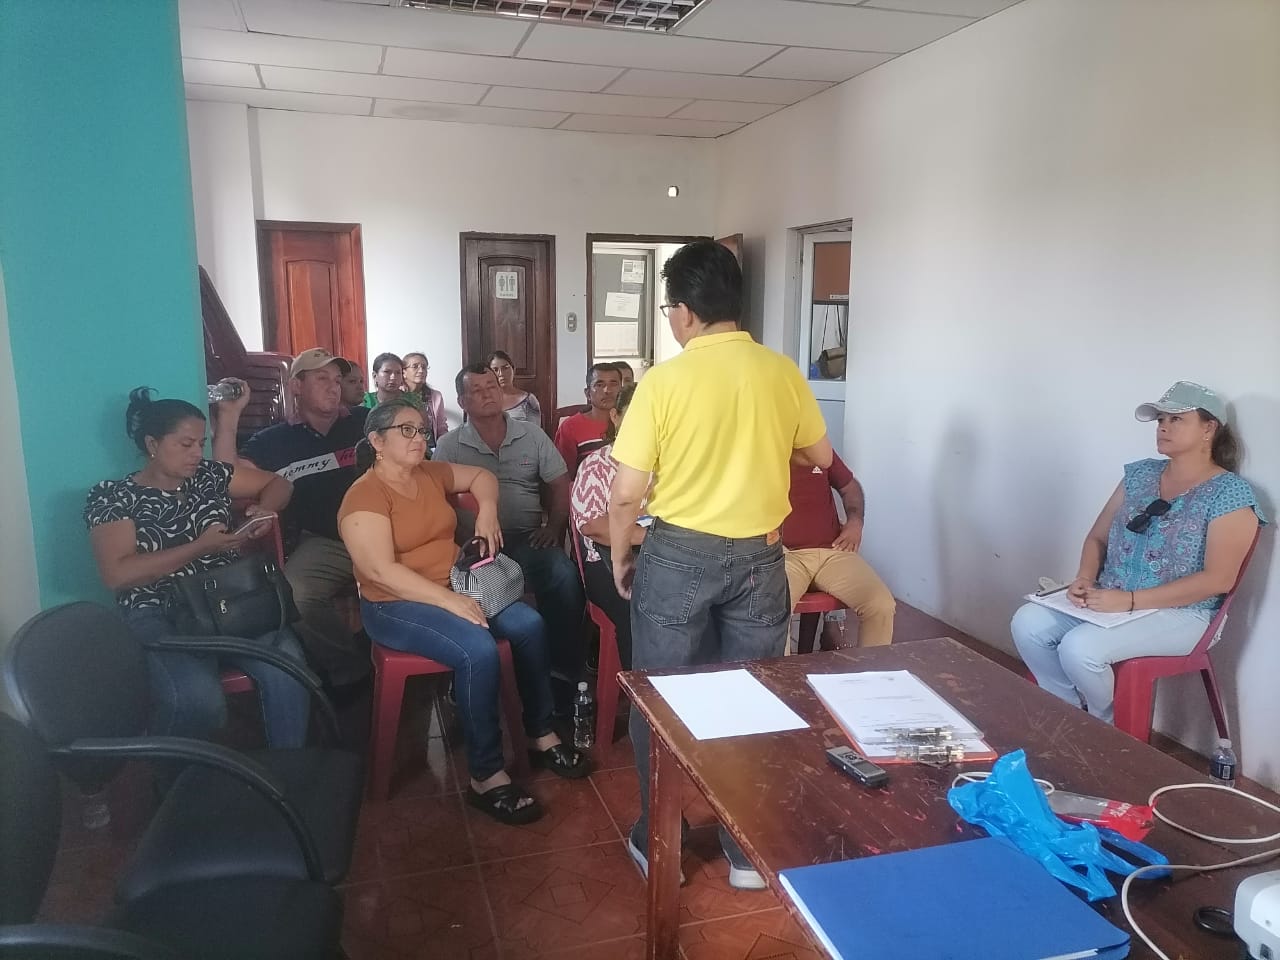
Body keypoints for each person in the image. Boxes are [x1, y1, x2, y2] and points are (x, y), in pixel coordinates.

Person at [608, 239, 832, 889]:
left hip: (678, 554)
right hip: (762, 557)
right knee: (752, 699)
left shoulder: (664, 381)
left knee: (660, 700)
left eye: (668, 310)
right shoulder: (780, 371)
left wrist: (621, 555)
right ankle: (743, 849)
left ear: (683, 311)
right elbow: (819, 456)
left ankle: (663, 843)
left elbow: (625, 493)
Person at [338, 399, 589, 825]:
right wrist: (450, 601)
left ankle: (540, 732)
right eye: (406, 430)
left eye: (422, 430)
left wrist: (487, 511)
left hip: (455, 585)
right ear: (377, 441)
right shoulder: (364, 497)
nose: (419, 438)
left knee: (529, 624)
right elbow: (381, 571)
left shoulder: (429, 473)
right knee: (477, 648)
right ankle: (486, 775)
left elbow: (481, 476)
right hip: (395, 603)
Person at [1012, 381, 1265, 724]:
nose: (1163, 427)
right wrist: (1085, 579)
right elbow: (1097, 537)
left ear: (1209, 428)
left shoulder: (1229, 493)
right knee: (1027, 623)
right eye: (1161, 419)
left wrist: (1131, 600)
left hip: (1184, 613)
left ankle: (1104, 725)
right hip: (1112, 599)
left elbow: (1218, 579)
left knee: (1080, 648)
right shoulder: (1140, 474)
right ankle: (1067, 712)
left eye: (1176, 419)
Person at [85, 387, 310, 747]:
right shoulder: (114, 496)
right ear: (153, 444)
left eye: (201, 444)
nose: (196, 454)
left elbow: (279, 483)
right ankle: (177, 775)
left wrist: (266, 509)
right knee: (198, 699)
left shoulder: (209, 476)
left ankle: (289, 765)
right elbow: (117, 574)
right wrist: (199, 547)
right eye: (185, 444)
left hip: (228, 601)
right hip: (158, 610)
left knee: (288, 666)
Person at [434, 364, 587, 715]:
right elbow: (437, 497)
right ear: (462, 401)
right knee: (463, 590)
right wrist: (465, 541)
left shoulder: (531, 435)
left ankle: (561, 673)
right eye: (477, 390)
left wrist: (554, 527)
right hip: (475, 550)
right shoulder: (449, 445)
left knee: (564, 575)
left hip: (528, 540)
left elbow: (559, 483)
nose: (488, 393)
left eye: (492, 386)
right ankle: (473, 674)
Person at [236, 348, 369, 693]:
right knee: (295, 592)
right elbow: (229, 477)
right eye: (322, 378)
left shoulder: (366, 422)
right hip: (329, 541)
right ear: (296, 386)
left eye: (337, 380)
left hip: (386, 530)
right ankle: (351, 670)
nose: (333, 386)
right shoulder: (272, 441)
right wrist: (228, 417)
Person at [782, 452, 896, 651]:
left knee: (881, 604)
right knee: (773, 610)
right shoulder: (762, 449)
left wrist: (855, 522)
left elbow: (850, 487)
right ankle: (781, 672)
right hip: (784, 556)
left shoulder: (816, 448)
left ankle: (873, 669)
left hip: (834, 551)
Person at [570, 383, 643, 670]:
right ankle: (642, 687)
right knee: (638, 606)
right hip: (605, 563)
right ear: (615, 416)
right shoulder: (597, 465)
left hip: (663, 557)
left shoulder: (672, 465)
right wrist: (653, 536)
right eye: (635, 414)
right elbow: (594, 527)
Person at [554, 363, 622, 477]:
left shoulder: (633, 422)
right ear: (588, 393)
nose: (607, 390)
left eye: (613, 384)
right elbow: (564, 477)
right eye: (599, 385)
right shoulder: (571, 427)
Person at [403, 351, 448, 444]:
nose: (421, 371)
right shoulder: (397, 395)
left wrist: (444, 447)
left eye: (424, 367)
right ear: (404, 372)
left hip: (430, 446)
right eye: (415, 366)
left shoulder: (435, 396)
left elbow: (441, 428)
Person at [488, 350, 542, 423]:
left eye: (505, 368)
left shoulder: (528, 401)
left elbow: (535, 429)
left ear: (513, 369)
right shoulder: (484, 401)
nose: (501, 374)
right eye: (495, 370)